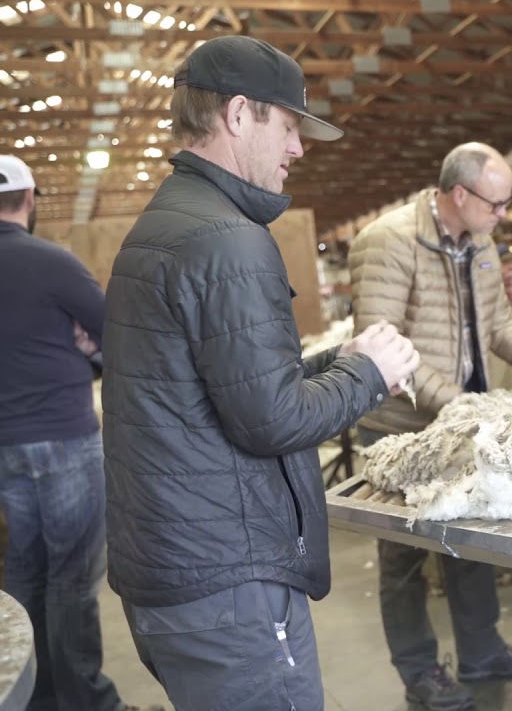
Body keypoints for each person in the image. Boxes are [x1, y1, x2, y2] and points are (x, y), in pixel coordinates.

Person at [101, 36, 421, 711]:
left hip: (175, 569)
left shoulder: (169, 222)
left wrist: (340, 358)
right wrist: (370, 373)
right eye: (289, 125)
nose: (298, 148)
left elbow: (220, 390)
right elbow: (271, 419)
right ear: (240, 115)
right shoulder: (228, 238)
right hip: (228, 584)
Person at [348, 142, 512, 711]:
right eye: (496, 201)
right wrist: (459, 402)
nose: (503, 213)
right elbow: (384, 346)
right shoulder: (388, 241)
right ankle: (418, 671)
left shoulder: (479, 242)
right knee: (403, 553)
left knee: (471, 536)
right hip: (399, 424)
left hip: (461, 416)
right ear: (459, 194)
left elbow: (500, 322)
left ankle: (482, 650)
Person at [0, 155, 150, 711]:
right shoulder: (52, 262)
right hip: (62, 434)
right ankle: (85, 699)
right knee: (72, 574)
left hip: (5, 443)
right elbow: (115, 330)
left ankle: (32, 694)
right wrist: (83, 353)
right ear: (31, 200)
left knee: (25, 565)